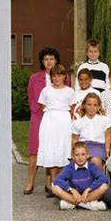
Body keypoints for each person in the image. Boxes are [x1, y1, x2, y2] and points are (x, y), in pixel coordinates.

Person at [24, 47, 70, 195]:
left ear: (56, 60)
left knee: (54, 148)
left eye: (51, 59)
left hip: (58, 119)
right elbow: (32, 98)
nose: (49, 61)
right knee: (35, 150)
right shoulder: (35, 78)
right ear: (42, 62)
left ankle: (49, 183)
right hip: (39, 117)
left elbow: (66, 97)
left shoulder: (65, 77)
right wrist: (37, 112)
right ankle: (30, 182)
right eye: (46, 59)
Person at [36, 64, 76, 198]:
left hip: (64, 122)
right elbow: (43, 107)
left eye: (59, 75)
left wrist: (65, 121)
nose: (57, 78)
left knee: (63, 151)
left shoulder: (70, 91)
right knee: (51, 151)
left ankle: (61, 184)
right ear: (51, 77)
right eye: (54, 75)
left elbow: (72, 110)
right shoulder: (46, 90)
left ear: (64, 76)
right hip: (49, 122)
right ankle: (54, 184)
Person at [52, 142, 109, 211]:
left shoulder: (91, 166)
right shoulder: (70, 167)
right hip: (74, 196)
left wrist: (89, 189)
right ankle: (88, 205)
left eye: (83, 154)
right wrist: (71, 190)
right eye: (77, 155)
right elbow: (57, 180)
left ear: (88, 155)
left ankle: (72, 204)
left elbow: (103, 178)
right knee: (55, 188)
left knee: (104, 186)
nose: (80, 157)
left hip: (89, 194)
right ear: (73, 156)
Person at [72, 93, 111, 170]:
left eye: (95, 105)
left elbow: (107, 136)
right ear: (84, 105)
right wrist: (73, 153)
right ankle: (82, 180)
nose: (92, 107)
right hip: (82, 146)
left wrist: (107, 150)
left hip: (98, 146)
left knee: (95, 161)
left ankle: (97, 181)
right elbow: (75, 140)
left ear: (99, 106)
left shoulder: (105, 120)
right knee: (80, 161)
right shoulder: (78, 122)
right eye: (89, 104)